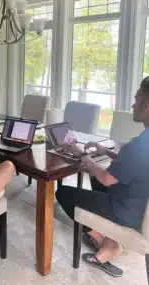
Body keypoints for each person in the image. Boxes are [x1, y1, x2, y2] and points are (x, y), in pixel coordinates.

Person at [55, 77, 149, 277]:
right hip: (137, 201)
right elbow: (135, 165)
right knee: (94, 177)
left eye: (136, 99)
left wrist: (82, 155)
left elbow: (107, 178)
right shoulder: (144, 141)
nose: (133, 105)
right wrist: (104, 151)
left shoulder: (140, 145)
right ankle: (108, 241)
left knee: (63, 192)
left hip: (127, 211)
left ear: (146, 106)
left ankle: (103, 239)